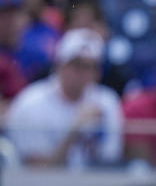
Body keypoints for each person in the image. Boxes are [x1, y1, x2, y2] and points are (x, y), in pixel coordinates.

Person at [5, 28, 123, 168]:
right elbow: (38, 172)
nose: (83, 73)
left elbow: (109, 163)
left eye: (90, 66)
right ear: (59, 65)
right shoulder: (31, 102)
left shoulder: (107, 101)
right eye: (76, 64)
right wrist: (74, 131)